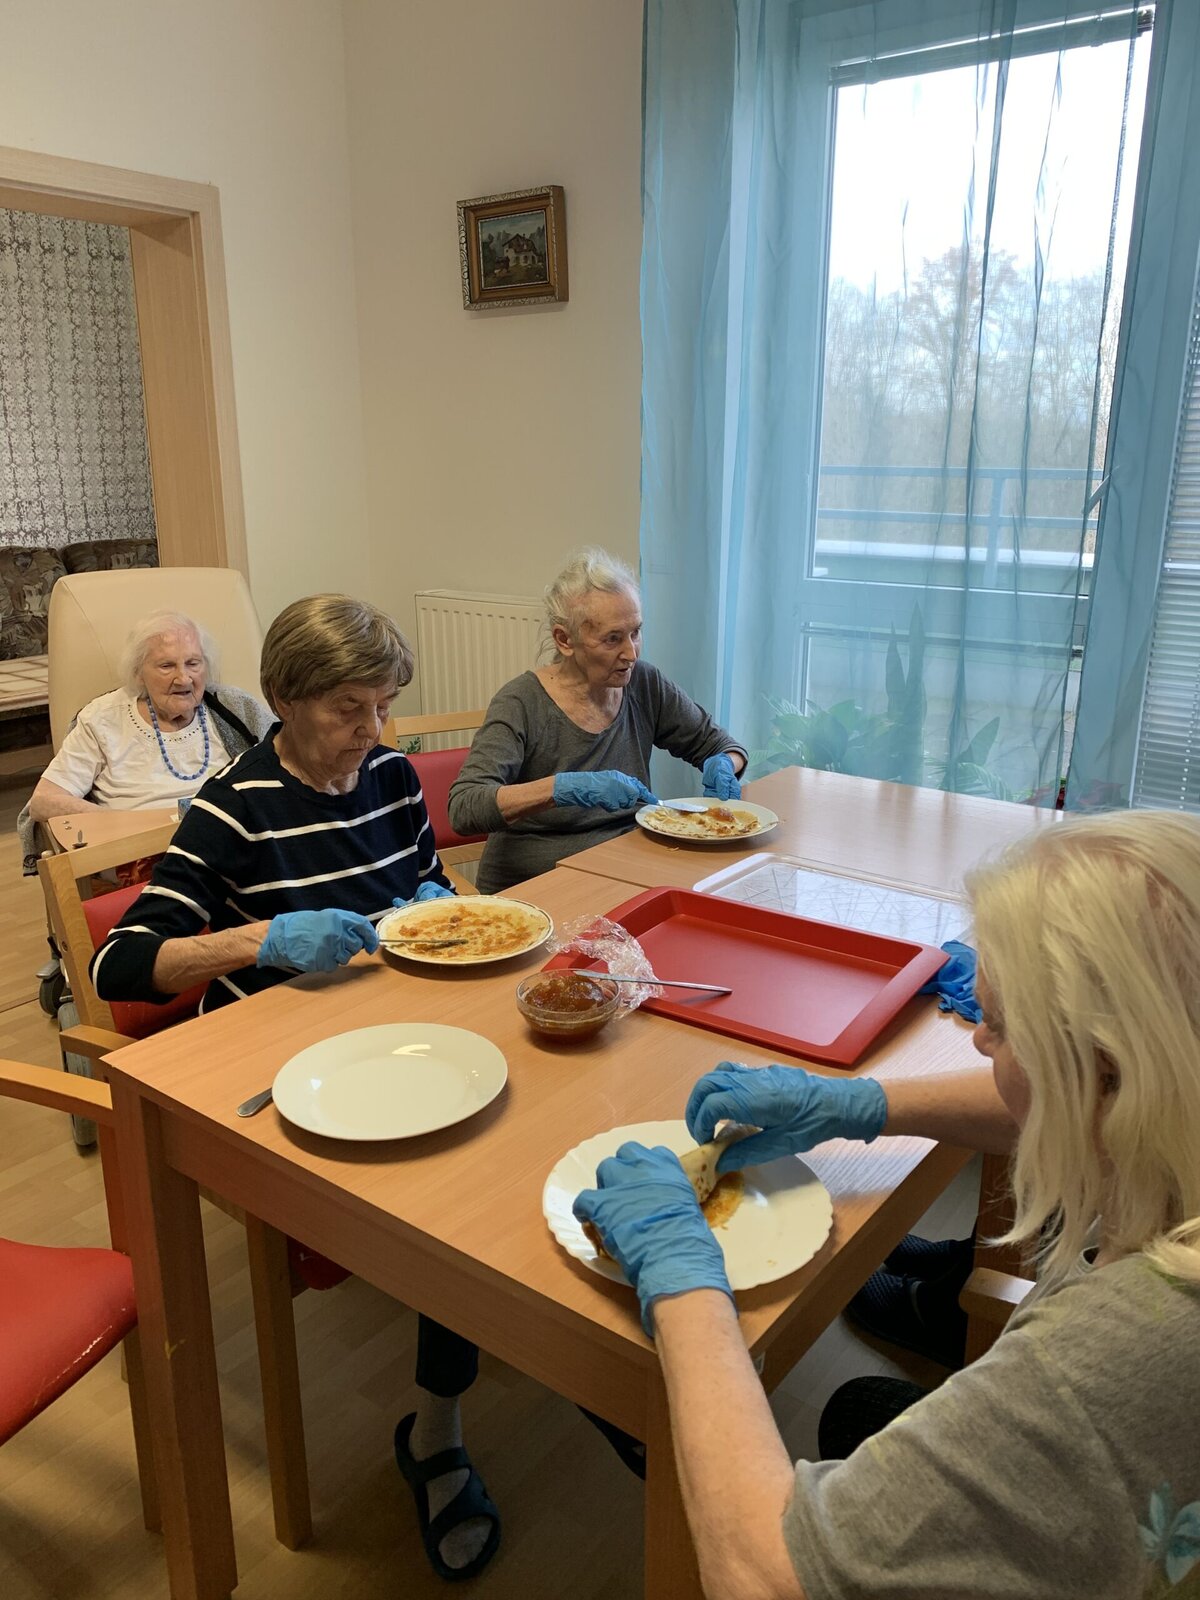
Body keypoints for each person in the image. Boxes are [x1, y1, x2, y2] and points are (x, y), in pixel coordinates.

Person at [574, 810, 1200, 1600]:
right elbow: (1065, 1098)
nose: (981, 1043)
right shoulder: (1171, 1106)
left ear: (1106, 1070)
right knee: (859, 1410)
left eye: (1002, 1029)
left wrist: (679, 1274)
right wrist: (857, 1103)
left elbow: (763, 1575)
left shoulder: (1117, 1352)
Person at [91, 594, 499, 1582]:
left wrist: (435, 904)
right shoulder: (234, 806)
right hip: (280, 1077)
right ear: (283, 699)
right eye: (351, 709)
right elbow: (119, 966)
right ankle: (437, 1434)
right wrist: (261, 939)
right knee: (453, 1194)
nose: (375, 731)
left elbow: (426, 882)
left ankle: (510, 1362)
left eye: (385, 706)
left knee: (502, 1132)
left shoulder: (390, 776)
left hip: (391, 1041)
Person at [448, 547, 747, 894]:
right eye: (612, 639)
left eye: (636, 632)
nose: (631, 653)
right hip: (536, 886)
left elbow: (720, 745)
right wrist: (561, 789)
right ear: (564, 640)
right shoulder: (521, 701)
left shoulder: (644, 684)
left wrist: (725, 764)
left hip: (622, 870)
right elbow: (465, 806)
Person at [20, 608, 272, 870]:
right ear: (138, 672)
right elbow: (44, 801)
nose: (183, 678)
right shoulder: (103, 718)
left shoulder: (234, 707)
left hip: (235, 844)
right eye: (167, 666)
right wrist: (131, 825)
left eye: (193, 663)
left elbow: (289, 759)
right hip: (143, 857)